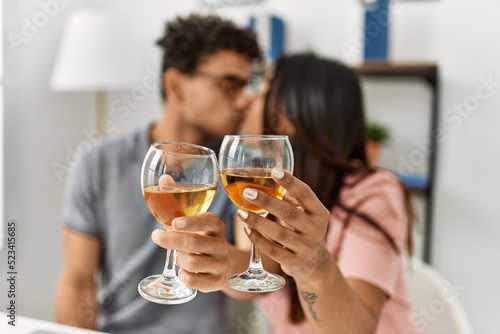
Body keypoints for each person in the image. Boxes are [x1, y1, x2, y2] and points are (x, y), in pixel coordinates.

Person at [152, 54, 419, 333]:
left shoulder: (375, 191)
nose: (246, 100)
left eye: (263, 89)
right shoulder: (258, 183)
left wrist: (314, 266)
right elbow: (261, 270)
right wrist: (220, 260)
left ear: (286, 119)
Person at [54, 14, 261, 334]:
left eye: (246, 85)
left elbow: (252, 275)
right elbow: (77, 282)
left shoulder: (235, 166)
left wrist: (220, 260)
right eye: (229, 84)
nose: (243, 99)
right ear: (175, 84)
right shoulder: (97, 162)